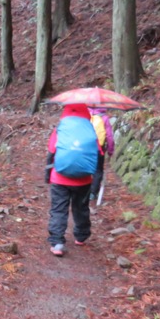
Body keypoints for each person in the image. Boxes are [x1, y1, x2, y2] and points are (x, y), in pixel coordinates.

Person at [45, 104, 102, 256]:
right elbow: (98, 153)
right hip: (83, 179)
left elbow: (51, 151)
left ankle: (57, 242)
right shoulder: (90, 129)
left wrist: (47, 174)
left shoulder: (61, 128)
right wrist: (97, 179)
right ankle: (81, 236)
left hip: (59, 177)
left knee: (58, 209)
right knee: (81, 207)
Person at [89, 107, 115, 205]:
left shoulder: (86, 114)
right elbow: (109, 136)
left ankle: (83, 189)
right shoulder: (104, 118)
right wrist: (110, 150)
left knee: (85, 167)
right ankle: (93, 193)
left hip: (85, 147)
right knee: (98, 170)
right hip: (99, 148)